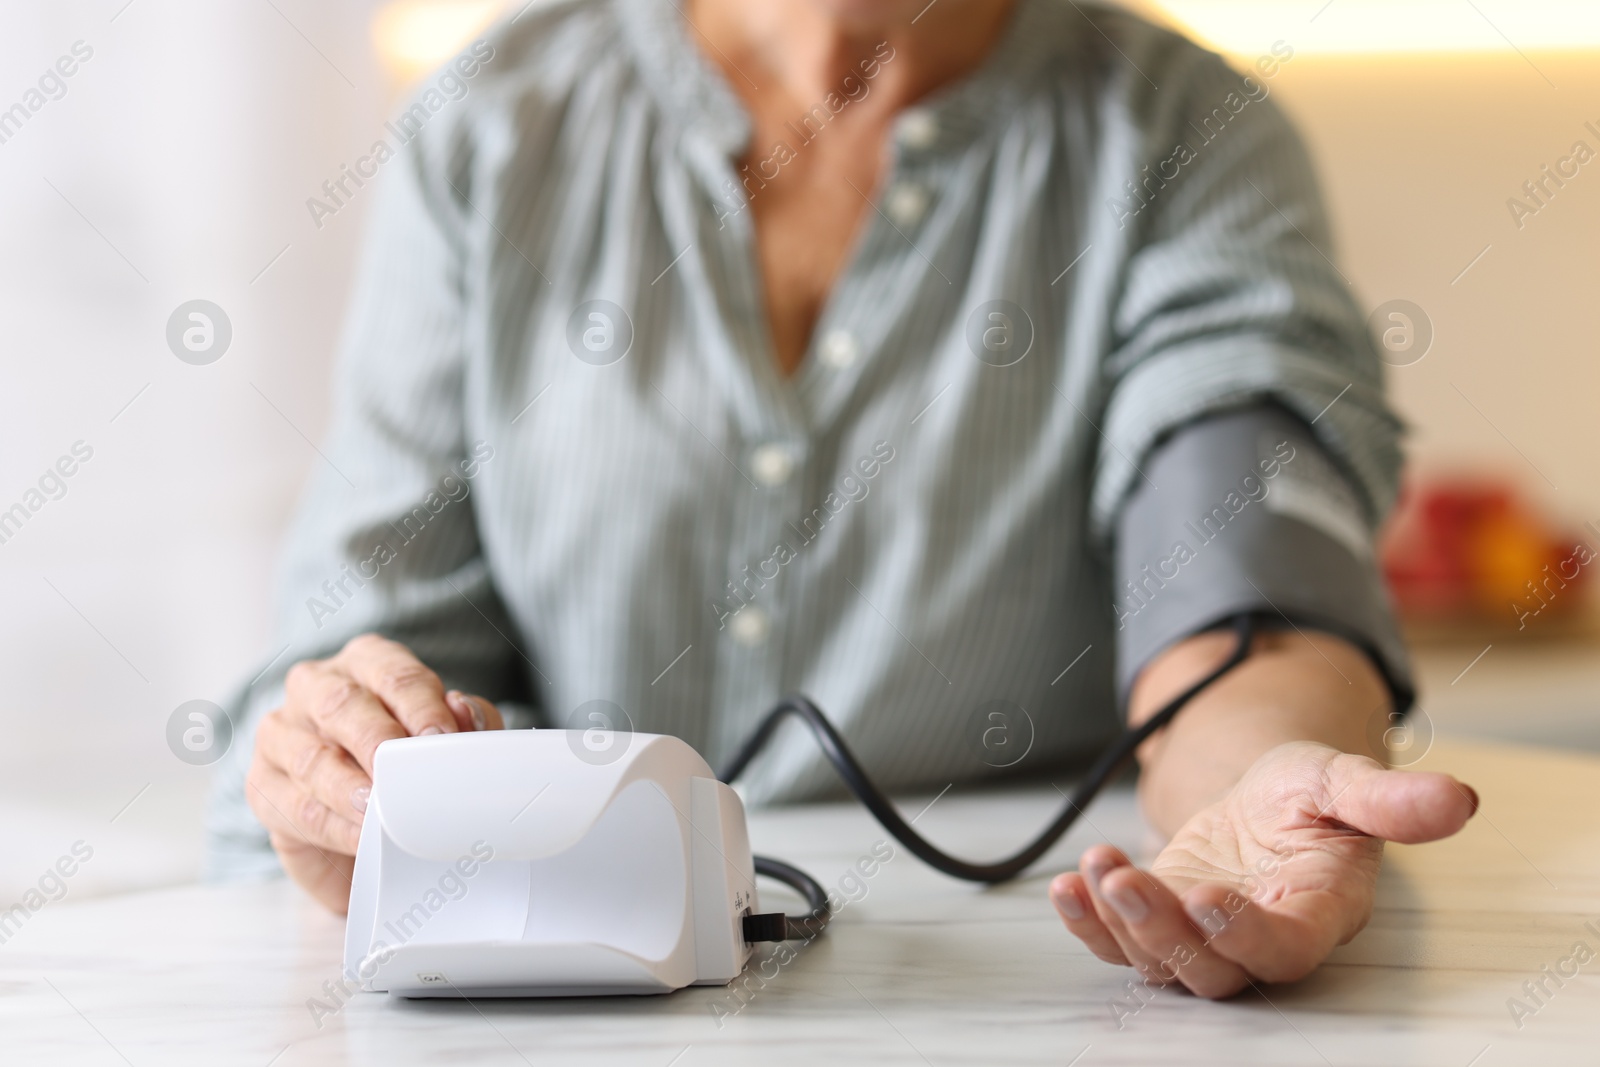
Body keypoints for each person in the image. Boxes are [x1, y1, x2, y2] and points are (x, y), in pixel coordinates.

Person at [207, 0, 1478, 999]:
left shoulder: (1184, 131)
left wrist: (1255, 787)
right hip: (552, 988)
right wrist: (345, 778)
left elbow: (1239, 578)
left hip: (1022, 993)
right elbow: (370, 630)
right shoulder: (495, 124)